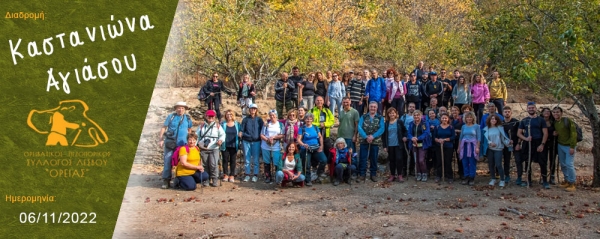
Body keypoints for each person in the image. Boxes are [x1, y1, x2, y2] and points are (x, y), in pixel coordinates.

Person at [158, 101, 193, 189]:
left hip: (182, 144)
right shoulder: (171, 117)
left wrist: (190, 141)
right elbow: (164, 127)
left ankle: (178, 181)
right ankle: (166, 180)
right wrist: (161, 139)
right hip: (170, 143)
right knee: (167, 161)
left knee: (181, 163)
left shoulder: (188, 118)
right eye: (179, 108)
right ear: (175, 108)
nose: (180, 109)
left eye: (182, 108)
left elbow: (189, 130)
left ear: (185, 109)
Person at [517, 102, 549, 188]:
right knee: (527, 162)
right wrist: (526, 138)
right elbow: (519, 133)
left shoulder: (541, 120)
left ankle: (545, 181)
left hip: (539, 142)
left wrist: (542, 144)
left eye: (532, 108)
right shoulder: (524, 120)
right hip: (528, 143)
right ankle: (528, 181)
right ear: (527, 109)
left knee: (542, 162)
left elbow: (545, 133)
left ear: (535, 108)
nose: (531, 109)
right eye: (529, 108)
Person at [357, 101, 385, 182]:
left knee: (374, 158)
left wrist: (373, 136)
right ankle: (362, 174)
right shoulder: (364, 116)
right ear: (368, 107)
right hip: (364, 140)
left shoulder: (380, 117)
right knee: (363, 157)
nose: (372, 108)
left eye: (374, 107)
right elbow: (359, 127)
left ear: (377, 108)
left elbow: (382, 128)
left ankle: (373, 174)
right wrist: (366, 137)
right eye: (371, 106)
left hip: (375, 141)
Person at [297, 112, 327, 186]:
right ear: (305, 119)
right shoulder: (302, 128)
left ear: (312, 120)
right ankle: (308, 180)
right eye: (307, 119)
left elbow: (320, 137)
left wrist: (321, 146)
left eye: (310, 119)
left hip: (316, 148)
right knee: (306, 165)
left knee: (324, 160)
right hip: (306, 149)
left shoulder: (315, 127)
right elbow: (298, 139)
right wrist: (303, 144)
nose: (309, 120)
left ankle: (318, 173)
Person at [197, 110, 226, 187]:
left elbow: (222, 134)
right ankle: (206, 179)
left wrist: (220, 140)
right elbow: (197, 136)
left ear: (214, 117)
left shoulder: (218, 126)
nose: (211, 117)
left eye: (212, 116)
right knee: (205, 165)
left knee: (213, 164)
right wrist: (197, 144)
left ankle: (214, 179)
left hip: (214, 148)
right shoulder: (201, 126)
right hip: (204, 148)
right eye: (209, 116)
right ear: (206, 116)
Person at [551, 106, 577, 192]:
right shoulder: (555, 123)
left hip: (569, 145)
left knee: (569, 164)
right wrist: (556, 133)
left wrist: (572, 146)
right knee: (563, 164)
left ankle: (572, 183)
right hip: (560, 145)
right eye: (554, 112)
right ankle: (566, 180)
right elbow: (560, 132)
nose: (556, 114)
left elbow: (573, 133)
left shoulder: (567, 120)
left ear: (561, 113)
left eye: (557, 112)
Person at [483, 114, 510, 188]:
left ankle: (502, 180)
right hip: (490, 149)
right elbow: (485, 140)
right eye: (492, 119)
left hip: (498, 149)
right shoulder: (486, 129)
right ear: (489, 120)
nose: (493, 120)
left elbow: (503, 138)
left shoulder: (500, 128)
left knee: (498, 164)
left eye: (495, 119)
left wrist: (508, 143)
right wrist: (490, 143)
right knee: (491, 165)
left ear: (497, 120)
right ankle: (493, 178)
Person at [382, 108, 408, 182]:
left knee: (399, 159)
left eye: (393, 113)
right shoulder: (386, 123)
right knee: (391, 160)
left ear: (396, 114)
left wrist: (405, 136)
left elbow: (405, 131)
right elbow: (384, 136)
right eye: (390, 113)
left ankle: (400, 175)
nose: (392, 114)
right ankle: (392, 175)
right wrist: (384, 146)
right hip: (390, 145)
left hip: (398, 144)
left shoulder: (399, 122)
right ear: (388, 114)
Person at [241, 104, 264, 183]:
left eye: (254, 109)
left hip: (256, 141)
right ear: (249, 110)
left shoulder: (259, 120)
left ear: (256, 110)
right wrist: (241, 134)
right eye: (251, 108)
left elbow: (263, 130)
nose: (253, 110)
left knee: (256, 159)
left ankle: (255, 175)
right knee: (247, 159)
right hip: (246, 141)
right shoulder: (245, 119)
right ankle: (247, 174)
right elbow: (242, 129)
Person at [261, 110, 284, 184]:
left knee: (276, 162)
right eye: (270, 115)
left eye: (273, 115)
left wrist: (274, 137)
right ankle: (268, 177)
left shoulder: (280, 124)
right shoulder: (266, 124)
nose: (272, 116)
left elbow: (282, 134)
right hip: (266, 146)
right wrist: (267, 139)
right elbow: (261, 135)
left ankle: (277, 177)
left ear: (276, 116)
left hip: (276, 146)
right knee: (267, 162)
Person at [407, 110, 431, 181]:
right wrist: (412, 138)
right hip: (414, 144)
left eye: (418, 115)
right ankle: (418, 173)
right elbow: (409, 133)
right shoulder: (411, 124)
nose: (416, 116)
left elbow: (426, 133)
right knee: (416, 160)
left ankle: (424, 173)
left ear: (421, 115)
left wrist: (418, 138)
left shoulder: (424, 124)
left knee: (421, 160)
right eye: (415, 115)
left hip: (422, 144)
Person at [338, 97, 360, 173]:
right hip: (341, 137)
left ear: (350, 102)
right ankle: (344, 171)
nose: (345, 104)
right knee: (342, 155)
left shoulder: (355, 112)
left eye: (347, 102)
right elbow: (340, 123)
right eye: (344, 102)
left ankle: (354, 171)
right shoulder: (341, 112)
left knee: (352, 154)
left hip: (350, 137)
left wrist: (355, 135)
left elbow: (357, 125)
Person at [459, 112, 481, 186]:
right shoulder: (463, 126)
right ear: (465, 118)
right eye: (467, 117)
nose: (469, 119)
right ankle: (466, 176)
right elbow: (461, 137)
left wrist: (477, 147)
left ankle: (472, 177)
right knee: (464, 161)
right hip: (464, 145)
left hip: (473, 145)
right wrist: (459, 147)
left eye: (470, 117)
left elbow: (479, 138)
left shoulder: (476, 126)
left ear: (473, 118)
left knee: (472, 162)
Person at [433, 113, 456, 184]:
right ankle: (438, 175)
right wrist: (438, 140)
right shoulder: (437, 127)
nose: (444, 119)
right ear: (440, 119)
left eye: (445, 118)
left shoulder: (451, 127)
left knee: (448, 161)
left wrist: (445, 139)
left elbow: (453, 137)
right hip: (439, 146)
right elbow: (434, 137)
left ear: (448, 119)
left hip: (449, 147)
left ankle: (449, 177)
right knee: (439, 161)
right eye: (443, 118)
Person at [220, 110, 241, 183]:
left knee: (233, 161)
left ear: (233, 115)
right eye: (227, 114)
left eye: (230, 114)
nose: (229, 116)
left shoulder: (237, 124)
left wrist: (240, 134)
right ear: (225, 116)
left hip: (234, 144)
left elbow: (240, 131)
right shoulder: (223, 124)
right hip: (225, 145)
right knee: (225, 160)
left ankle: (232, 175)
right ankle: (225, 174)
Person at [502, 106, 520, 184]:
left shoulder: (516, 122)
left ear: (511, 113)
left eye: (508, 111)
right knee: (506, 161)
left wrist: (518, 143)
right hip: (506, 145)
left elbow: (520, 133)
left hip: (516, 144)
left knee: (518, 160)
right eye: (505, 112)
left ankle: (519, 177)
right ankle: (507, 176)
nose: (507, 113)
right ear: (503, 113)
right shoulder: (501, 123)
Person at [541, 107, 558, 185]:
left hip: (552, 142)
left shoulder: (553, 121)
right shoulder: (539, 120)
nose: (547, 113)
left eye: (548, 111)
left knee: (552, 160)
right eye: (545, 111)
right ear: (542, 113)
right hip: (543, 142)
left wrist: (556, 133)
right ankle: (543, 176)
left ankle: (552, 176)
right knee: (543, 160)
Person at [401, 102, 417, 176]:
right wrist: (403, 136)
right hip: (405, 136)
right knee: (404, 154)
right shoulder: (404, 117)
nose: (412, 108)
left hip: (414, 136)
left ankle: (411, 169)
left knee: (413, 154)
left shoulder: (417, 117)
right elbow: (400, 128)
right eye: (410, 107)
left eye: (413, 107)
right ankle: (404, 169)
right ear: (408, 108)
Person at [450, 106, 465, 179]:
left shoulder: (462, 120)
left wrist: (458, 131)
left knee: (460, 157)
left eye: (455, 110)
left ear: (458, 111)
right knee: (449, 157)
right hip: (450, 140)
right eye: (452, 111)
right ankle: (450, 173)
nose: (454, 112)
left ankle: (461, 173)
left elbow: (466, 130)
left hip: (459, 140)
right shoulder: (449, 120)